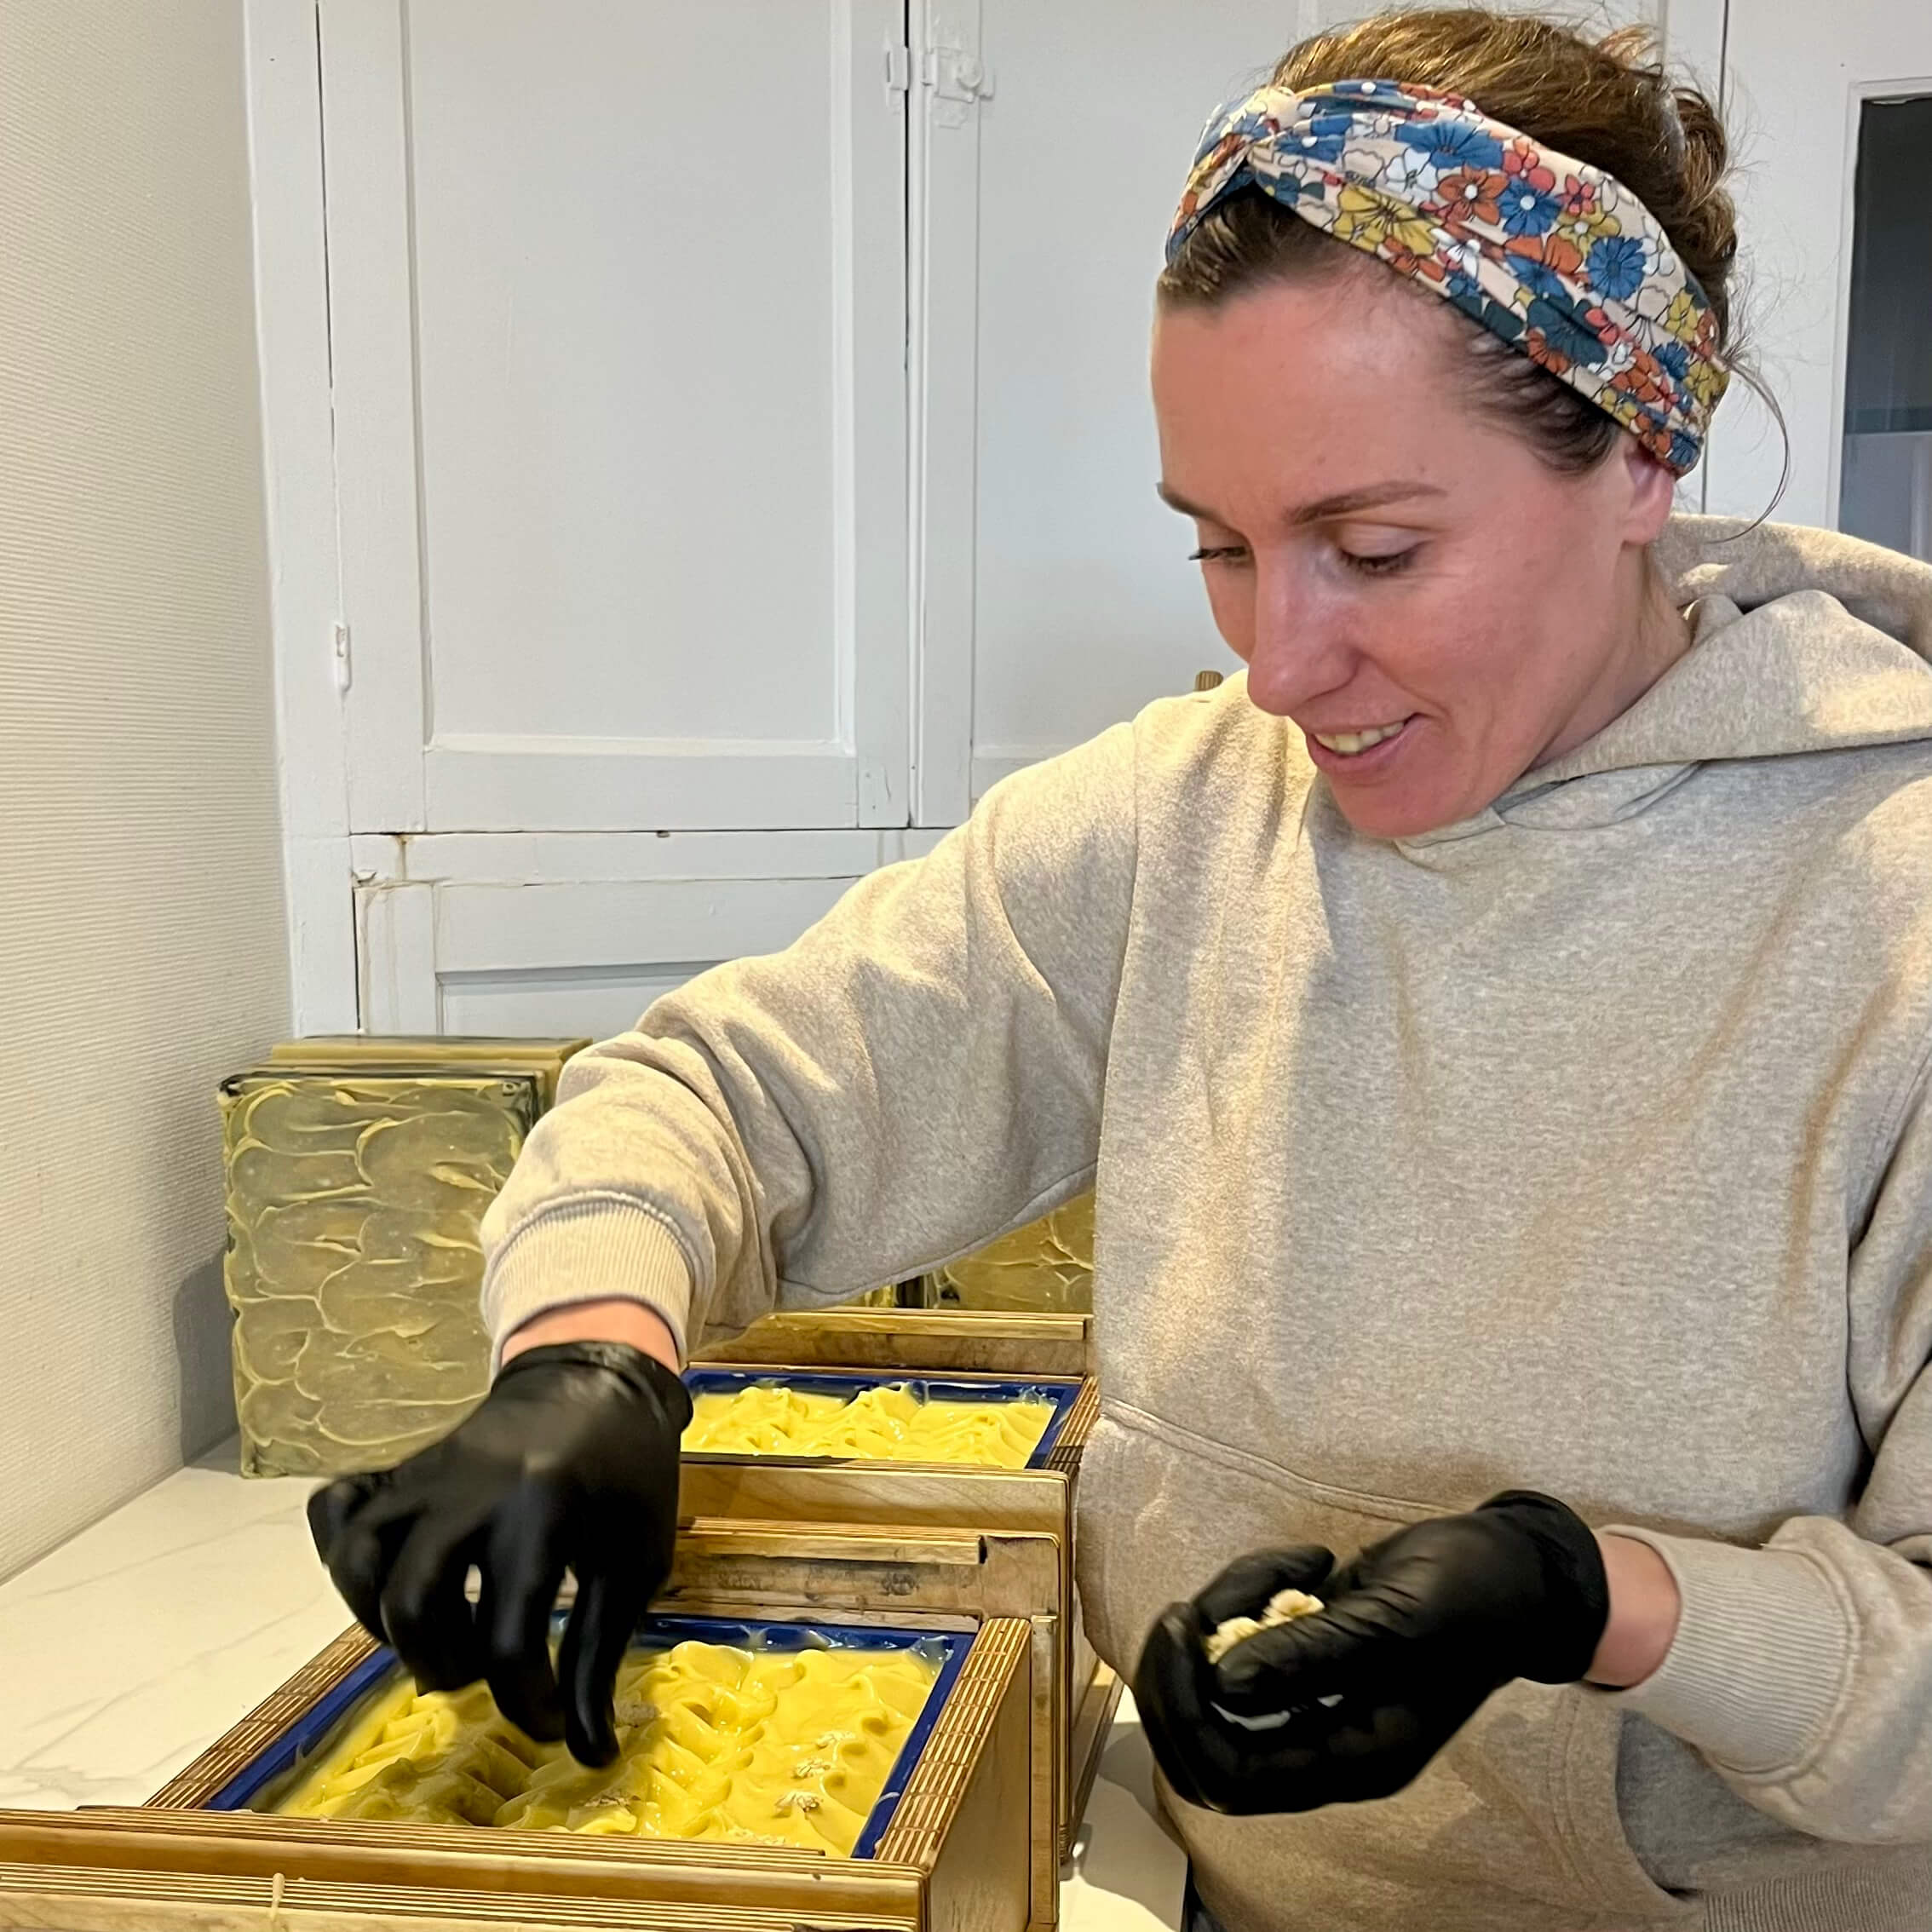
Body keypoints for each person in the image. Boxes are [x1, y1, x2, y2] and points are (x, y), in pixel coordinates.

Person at [308, 9, 1932, 1929]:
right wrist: (591, 1347)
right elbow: (715, 1096)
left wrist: (1595, 1603)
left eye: (1376, 547)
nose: (1281, 664)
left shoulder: (1889, 912)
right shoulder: (1185, 816)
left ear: (1641, 450)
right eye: (1222, 548)